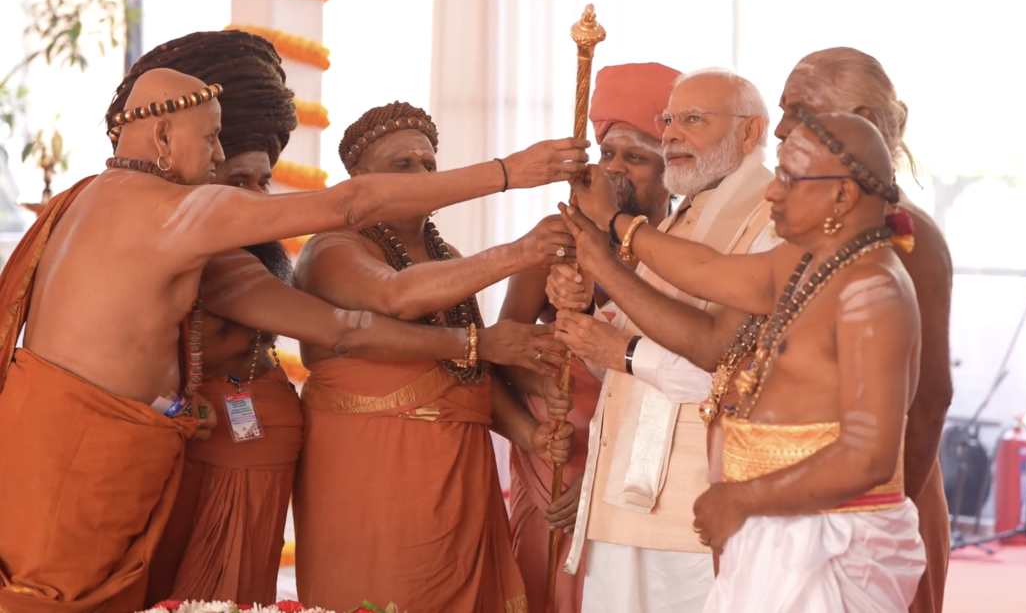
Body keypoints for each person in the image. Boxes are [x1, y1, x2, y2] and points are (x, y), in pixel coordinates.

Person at [0, 65, 587, 613]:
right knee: (50, 596)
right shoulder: (174, 210)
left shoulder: (82, 199)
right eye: (211, 139)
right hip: (82, 453)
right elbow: (351, 211)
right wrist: (507, 174)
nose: (219, 156)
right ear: (161, 136)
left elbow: (335, 328)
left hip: (67, 434)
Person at [564, 110, 927, 612]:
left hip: (828, 534)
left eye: (789, 180)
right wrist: (612, 226)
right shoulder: (808, 263)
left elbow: (869, 455)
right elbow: (704, 269)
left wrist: (744, 498)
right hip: (777, 525)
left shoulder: (871, 292)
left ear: (843, 195)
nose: (772, 192)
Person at [291, 102, 575, 613]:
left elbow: (471, 371)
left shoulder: (451, 261)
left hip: (459, 471)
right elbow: (395, 296)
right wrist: (521, 252)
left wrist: (529, 435)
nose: (421, 176)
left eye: (428, 165)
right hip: (372, 469)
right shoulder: (330, 248)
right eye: (402, 165)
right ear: (358, 180)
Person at [548, 67, 777, 613]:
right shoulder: (676, 223)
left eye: (692, 120)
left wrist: (622, 350)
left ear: (750, 132)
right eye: (669, 120)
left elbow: (734, 370)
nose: (672, 134)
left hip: (696, 504)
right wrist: (587, 319)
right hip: (623, 498)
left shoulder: (771, 219)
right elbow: (629, 358)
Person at [774, 47, 953, 613]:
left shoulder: (909, 236)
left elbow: (931, 399)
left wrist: (881, 515)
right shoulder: (815, 226)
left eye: (798, 111)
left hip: (877, 504)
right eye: (781, 110)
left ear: (864, 122)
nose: (780, 130)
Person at [497, 62, 680, 613]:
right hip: (556, 463)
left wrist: (605, 474)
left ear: (672, 170)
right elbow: (500, 355)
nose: (615, 169)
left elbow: (688, 377)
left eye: (636, 157)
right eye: (607, 154)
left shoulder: (685, 254)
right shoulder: (558, 242)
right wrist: (538, 416)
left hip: (648, 469)